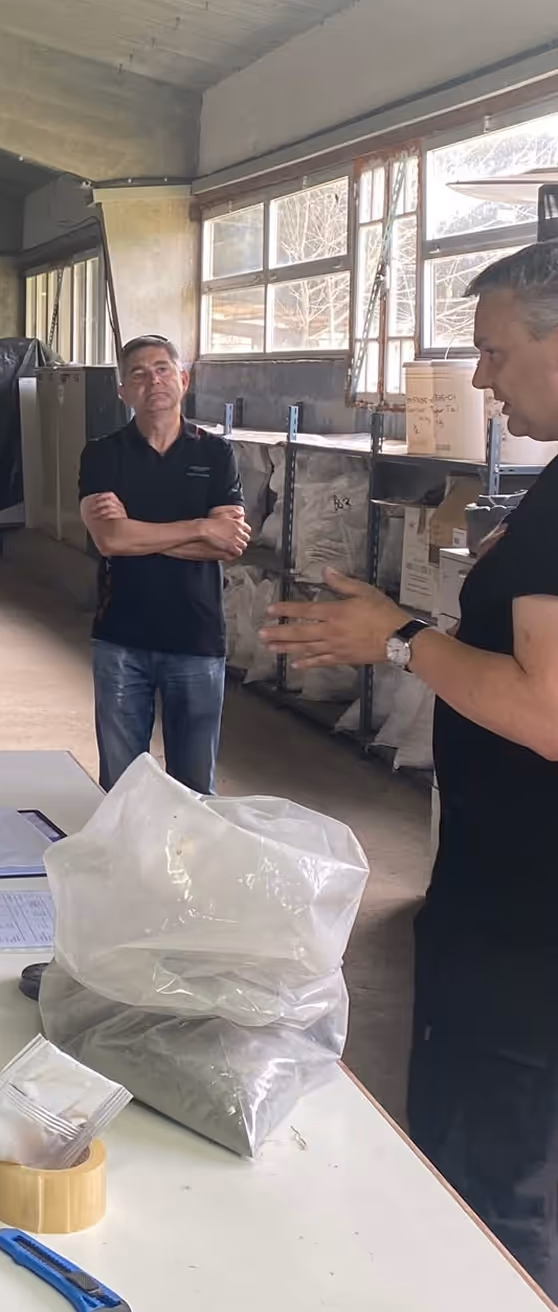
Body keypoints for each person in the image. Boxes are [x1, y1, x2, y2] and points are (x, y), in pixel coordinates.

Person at [261, 242, 558, 1294]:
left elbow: (545, 708)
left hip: (525, 932)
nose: (481, 380)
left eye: (495, 353)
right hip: (519, 909)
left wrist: (395, 641)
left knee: (488, 1186)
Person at [77, 334, 249, 793]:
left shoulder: (215, 454)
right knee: (122, 787)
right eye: (138, 372)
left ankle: (187, 869)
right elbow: (110, 539)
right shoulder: (102, 454)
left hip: (195, 640)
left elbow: (228, 544)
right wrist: (198, 528)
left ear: (183, 380)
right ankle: (127, 866)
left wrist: (140, 533)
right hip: (120, 640)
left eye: (162, 369)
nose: (152, 380)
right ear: (123, 392)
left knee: (194, 788)